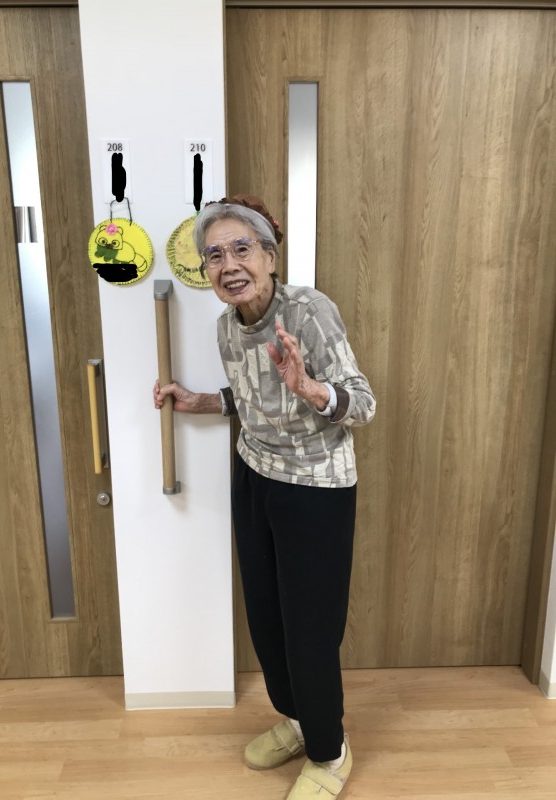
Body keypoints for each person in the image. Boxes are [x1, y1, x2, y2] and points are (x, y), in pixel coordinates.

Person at [154, 195, 376, 800]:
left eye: (242, 249)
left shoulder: (309, 311)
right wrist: (203, 401)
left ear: (270, 257)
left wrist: (311, 388)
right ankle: (300, 721)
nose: (229, 265)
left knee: (309, 628)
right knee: (268, 619)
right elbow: (252, 395)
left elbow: (363, 403)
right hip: (254, 475)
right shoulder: (226, 326)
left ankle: (329, 751)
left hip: (316, 488)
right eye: (214, 255)